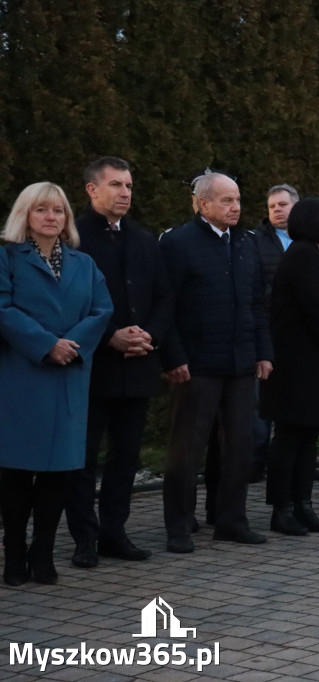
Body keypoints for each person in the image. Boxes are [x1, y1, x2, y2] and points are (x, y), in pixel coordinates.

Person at [0, 182, 113, 585]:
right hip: (22, 378)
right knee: (16, 474)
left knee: (57, 474)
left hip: (68, 377)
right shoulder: (7, 258)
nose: (51, 217)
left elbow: (102, 309)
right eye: (42, 210)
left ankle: (42, 553)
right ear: (25, 214)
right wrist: (46, 344)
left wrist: (72, 345)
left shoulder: (84, 264)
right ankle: (13, 553)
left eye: (59, 211)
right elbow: (2, 308)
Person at [65, 157, 173, 570]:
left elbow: (164, 295)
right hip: (93, 366)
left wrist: (150, 335)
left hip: (138, 365)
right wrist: (109, 334)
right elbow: (72, 300)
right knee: (84, 457)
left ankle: (115, 531)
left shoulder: (145, 240)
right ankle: (84, 538)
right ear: (92, 190)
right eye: (115, 185)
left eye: (129, 185)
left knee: (126, 456)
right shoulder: (73, 238)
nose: (125, 192)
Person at [160, 172, 273, 553]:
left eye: (238, 199)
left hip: (240, 363)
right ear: (202, 204)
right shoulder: (179, 243)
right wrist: (173, 357)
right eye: (226, 200)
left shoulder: (247, 243)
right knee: (186, 449)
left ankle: (230, 520)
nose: (236, 207)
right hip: (196, 365)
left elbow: (257, 303)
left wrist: (263, 351)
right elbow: (167, 307)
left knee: (240, 446)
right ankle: (178, 525)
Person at [260, 198, 319, 535]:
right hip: (297, 363)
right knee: (290, 436)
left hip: (314, 362)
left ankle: (303, 503)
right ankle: (282, 508)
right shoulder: (303, 256)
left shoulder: (315, 255)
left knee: (307, 436)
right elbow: (315, 307)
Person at [249, 184, 299, 484]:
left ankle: (289, 460)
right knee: (260, 404)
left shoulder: (311, 240)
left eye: (283, 204)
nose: (277, 210)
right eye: (272, 206)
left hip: (298, 336)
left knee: (293, 401)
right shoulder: (256, 242)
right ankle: (256, 462)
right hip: (267, 331)